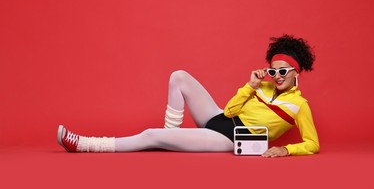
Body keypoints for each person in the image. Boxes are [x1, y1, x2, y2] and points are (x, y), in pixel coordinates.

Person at [57, 34, 319, 157]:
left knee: (149, 135)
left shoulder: (299, 105)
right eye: (274, 71)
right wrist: (250, 85)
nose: (278, 75)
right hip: (221, 118)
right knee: (178, 76)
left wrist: (286, 149)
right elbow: (229, 111)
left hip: (229, 138)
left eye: (284, 71)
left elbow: (312, 144)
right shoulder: (263, 86)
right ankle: (168, 137)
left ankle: (83, 144)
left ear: (297, 72)